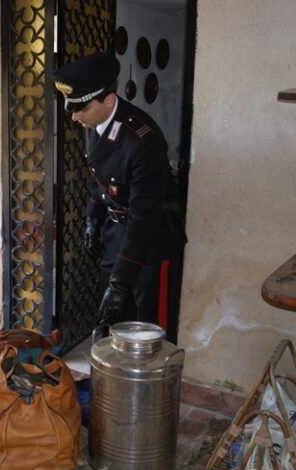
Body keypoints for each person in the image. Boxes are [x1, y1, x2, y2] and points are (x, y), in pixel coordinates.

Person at [52, 52, 185, 337]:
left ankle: (149, 381)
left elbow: (144, 217)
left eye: (81, 109)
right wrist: (92, 220)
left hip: (150, 240)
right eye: (71, 108)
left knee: (149, 327)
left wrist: (121, 282)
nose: (74, 117)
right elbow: (100, 179)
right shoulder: (92, 122)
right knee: (112, 319)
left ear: (109, 101)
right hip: (117, 233)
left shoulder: (142, 141)